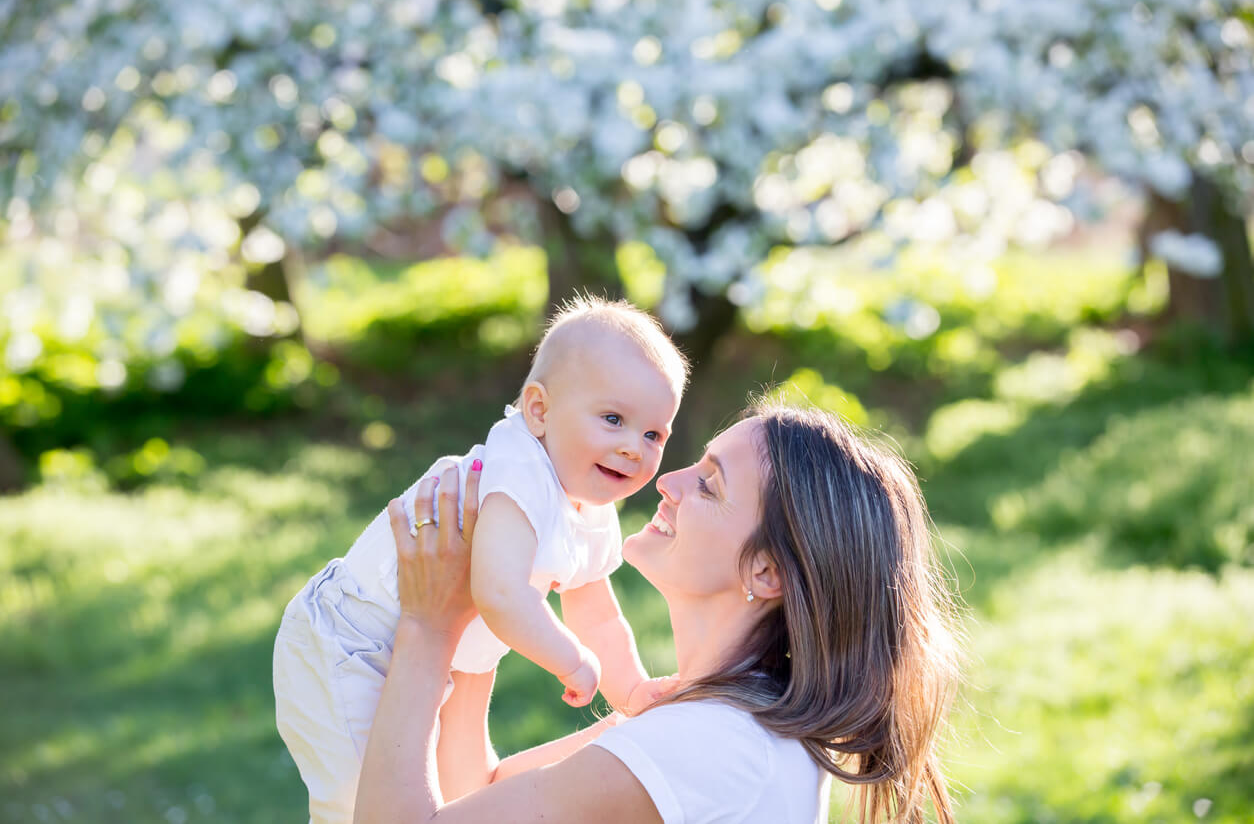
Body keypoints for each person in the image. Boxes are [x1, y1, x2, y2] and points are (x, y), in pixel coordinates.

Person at [355, 404, 962, 824]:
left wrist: (428, 627)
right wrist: (481, 607)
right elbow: (478, 798)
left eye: (709, 485)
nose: (667, 480)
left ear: (767, 572)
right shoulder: (717, 723)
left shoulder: (708, 746)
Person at [273, 297, 689, 823]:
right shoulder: (520, 471)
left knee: (446, 801)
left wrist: (629, 689)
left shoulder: (588, 502)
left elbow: (599, 612)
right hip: (350, 639)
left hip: (425, 654)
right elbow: (499, 593)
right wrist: (570, 658)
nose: (634, 447)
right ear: (539, 410)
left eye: (653, 434)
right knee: (361, 798)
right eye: (613, 420)